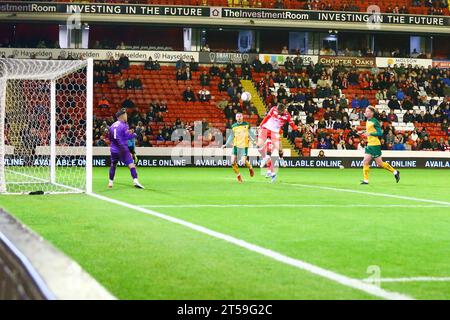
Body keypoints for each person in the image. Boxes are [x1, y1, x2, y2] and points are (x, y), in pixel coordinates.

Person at [258, 104, 300, 182]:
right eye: (278, 110)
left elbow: (292, 125)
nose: (278, 112)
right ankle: (270, 170)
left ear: (283, 110)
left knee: (280, 150)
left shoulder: (287, 116)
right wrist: (261, 125)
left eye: (280, 111)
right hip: (267, 129)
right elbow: (267, 117)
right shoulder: (273, 109)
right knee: (262, 146)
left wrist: (297, 128)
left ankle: (280, 159)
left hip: (275, 132)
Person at [359, 106, 400, 185]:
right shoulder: (368, 120)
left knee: (380, 163)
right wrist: (363, 132)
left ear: (372, 113)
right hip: (370, 144)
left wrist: (369, 133)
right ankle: (366, 180)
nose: (366, 112)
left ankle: (395, 172)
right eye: (366, 111)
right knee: (365, 161)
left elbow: (380, 133)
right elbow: (370, 130)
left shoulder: (375, 121)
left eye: (367, 111)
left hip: (375, 144)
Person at [108, 109, 144, 189]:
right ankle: (135, 181)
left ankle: (110, 182)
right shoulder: (124, 125)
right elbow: (127, 136)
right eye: (126, 115)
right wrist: (135, 134)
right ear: (122, 116)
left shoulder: (112, 125)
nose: (126, 116)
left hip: (113, 149)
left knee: (113, 165)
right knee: (131, 165)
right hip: (123, 149)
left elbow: (110, 138)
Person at [222, 113, 255, 183]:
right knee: (232, 161)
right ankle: (238, 176)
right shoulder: (233, 126)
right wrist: (226, 144)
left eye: (240, 116)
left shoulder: (247, 124)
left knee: (243, 162)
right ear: (236, 118)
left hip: (244, 146)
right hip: (236, 146)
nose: (239, 117)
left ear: (242, 117)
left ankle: (250, 167)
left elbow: (251, 134)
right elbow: (231, 136)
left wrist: (254, 141)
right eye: (237, 116)